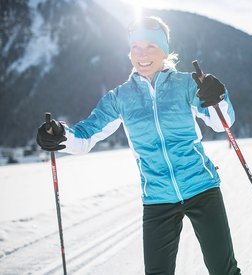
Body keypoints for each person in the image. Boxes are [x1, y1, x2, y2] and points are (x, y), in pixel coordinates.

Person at [37, 16, 241, 275]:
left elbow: (221, 122)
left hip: (202, 187)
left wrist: (217, 97)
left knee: (224, 271)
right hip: (157, 198)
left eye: (151, 47)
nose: (142, 55)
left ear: (164, 51)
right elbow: (86, 135)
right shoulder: (120, 97)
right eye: (136, 48)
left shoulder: (188, 84)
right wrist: (60, 135)